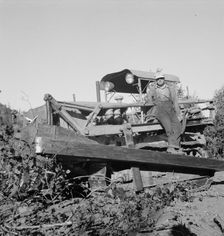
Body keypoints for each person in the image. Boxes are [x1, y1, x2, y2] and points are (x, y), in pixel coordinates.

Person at [145, 71, 183, 154]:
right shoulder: (153, 89)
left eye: (161, 78)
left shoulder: (170, 88)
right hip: (160, 111)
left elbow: (175, 101)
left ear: (163, 79)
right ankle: (171, 147)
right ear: (156, 80)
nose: (159, 80)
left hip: (170, 109)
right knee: (169, 128)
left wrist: (178, 113)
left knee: (178, 127)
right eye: (158, 79)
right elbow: (149, 100)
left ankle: (176, 146)